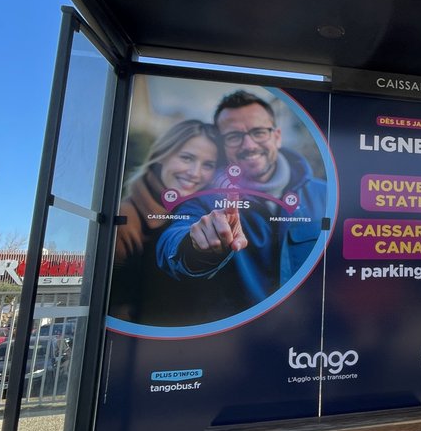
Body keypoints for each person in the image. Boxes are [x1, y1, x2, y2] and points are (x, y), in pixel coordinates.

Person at [156, 90, 328, 317]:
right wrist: (195, 247)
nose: (248, 145)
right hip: (243, 340)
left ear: (276, 136)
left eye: (258, 132)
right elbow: (173, 240)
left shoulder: (325, 194)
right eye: (234, 136)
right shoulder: (205, 200)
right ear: (222, 145)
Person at [109, 120, 221, 325]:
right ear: (162, 156)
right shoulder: (126, 220)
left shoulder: (203, 212)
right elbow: (115, 311)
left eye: (208, 165)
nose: (195, 173)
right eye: (187, 158)